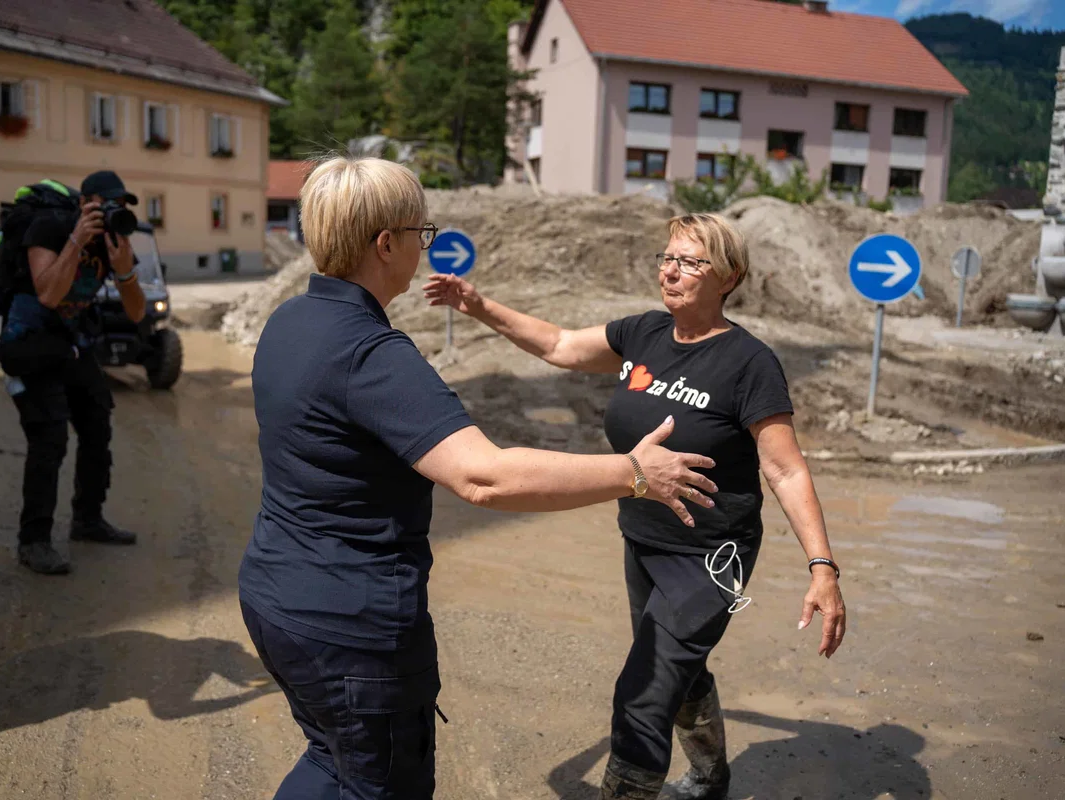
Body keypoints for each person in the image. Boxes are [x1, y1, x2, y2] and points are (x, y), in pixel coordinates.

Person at [238, 156, 720, 800]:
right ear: (386, 244)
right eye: (420, 233)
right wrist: (634, 472)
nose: (424, 247)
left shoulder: (290, 321)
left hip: (275, 598)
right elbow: (483, 477)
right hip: (351, 628)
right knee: (377, 783)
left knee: (331, 760)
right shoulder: (372, 355)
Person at [424, 212, 847, 800]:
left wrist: (822, 567)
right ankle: (709, 779)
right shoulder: (644, 332)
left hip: (711, 555)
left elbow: (785, 468)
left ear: (729, 277)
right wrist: (479, 306)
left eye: (690, 262)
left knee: (644, 692)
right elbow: (559, 345)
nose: (670, 271)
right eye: (667, 258)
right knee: (677, 671)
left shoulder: (749, 363)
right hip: (645, 542)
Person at [0, 171, 146, 575]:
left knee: (98, 422)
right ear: (84, 203)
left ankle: (88, 519)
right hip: (29, 342)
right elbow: (48, 293)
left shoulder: (114, 241)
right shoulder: (50, 227)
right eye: (106, 203)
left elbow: (137, 312)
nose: (114, 211)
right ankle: (33, 540)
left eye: (121, 205)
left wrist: (124, 270)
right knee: (49, 438)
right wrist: (77, 240)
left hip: (68, 343)